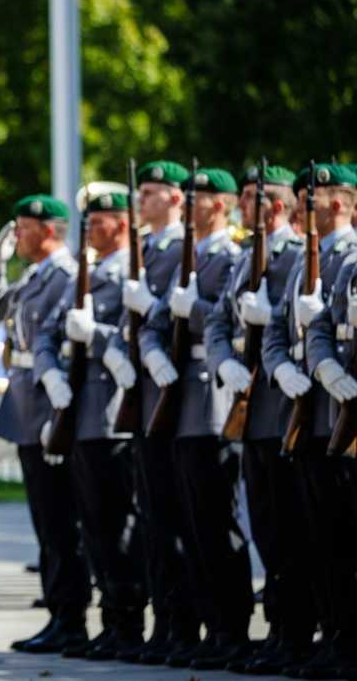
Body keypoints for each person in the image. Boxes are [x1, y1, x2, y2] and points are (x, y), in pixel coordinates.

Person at [138, 167, 254, 670]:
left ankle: (231, 626)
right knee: (184, 521)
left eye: (201, 195)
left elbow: (228, 319)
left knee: (213, 519)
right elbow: (158, 319)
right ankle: (201, 625)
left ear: (220, 205)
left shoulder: (229, 256)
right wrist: (152, 342)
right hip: (179, 398)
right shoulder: (194, 254)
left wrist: (196, 309)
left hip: (212, 400)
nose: (191, 201)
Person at [203, 164, 312, 674]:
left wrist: (271, 324)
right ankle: (277, 632)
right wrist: (223, 359)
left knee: (293, 530)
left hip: (286, 409)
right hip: (249, 412)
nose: (240, 206)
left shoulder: (296, 255)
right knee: (267, 528)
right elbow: (216, 322)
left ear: (275, 206)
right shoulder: (243, 257)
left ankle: (298, 632)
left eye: (249, 197)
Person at [34, 185, 146, 661]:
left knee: (116, 525)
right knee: (94, 528)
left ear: (121, 225)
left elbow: (133, 337)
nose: (89, 231)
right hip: (80, 413)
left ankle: (128, 621)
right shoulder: (90, 272)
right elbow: (50, 331)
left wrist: (95, 336)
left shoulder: (128, 274)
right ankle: (108, 621)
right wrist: (53, 377)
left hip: (111, 415)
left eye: (97, 223)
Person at [0, 194, 91, 653]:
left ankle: (72, 617)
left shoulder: (65, 276)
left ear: (48, 232)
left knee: (63, 522)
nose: (16, 236)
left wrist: (57, 413)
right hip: (28, 409)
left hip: (51, 408)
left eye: (22, 229)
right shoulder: (34, 277)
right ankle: (58, 613)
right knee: (46, 523)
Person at [102, 159, 197, 664]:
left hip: (181, 393)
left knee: (185, 519)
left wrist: (154, 315)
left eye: (155, 191)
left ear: (176, 199)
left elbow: (184, 312)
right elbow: (127, 317)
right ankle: (164, 622)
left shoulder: (186, 248)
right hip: (146, 395)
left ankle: (189, 626)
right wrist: (121, 348)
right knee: (155, 517)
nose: (144, 199)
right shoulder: (153, 247)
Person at [266, 163, 357, 679]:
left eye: (312, 198)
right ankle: (334, 636)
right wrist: (296, 363)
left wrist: (326, 362)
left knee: (342, 536)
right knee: (321, 539)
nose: (300, 207)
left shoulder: (346, 259)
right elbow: (298, 327)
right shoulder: (313, 263)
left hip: (340, 416)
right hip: (314, 414)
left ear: (340, 203)